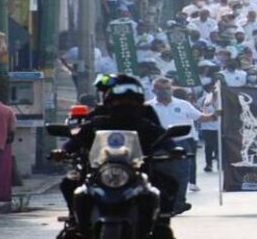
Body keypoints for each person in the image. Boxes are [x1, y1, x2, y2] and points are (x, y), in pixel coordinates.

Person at [56, 74, 179, 239]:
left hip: (138, 168)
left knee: (168, 183)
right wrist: (63, 151)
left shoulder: (146, 117)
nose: (125, 105)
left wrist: (173, 149)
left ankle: (161, 221)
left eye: (130, 100)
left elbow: (161, 135)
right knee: (69, 184)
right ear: (109, 99)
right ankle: (75, 221)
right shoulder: (98, 118)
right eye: (119, 100)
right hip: (100, 168)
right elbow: (79, 138)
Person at [147, 78, 219, 214]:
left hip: (181, 143)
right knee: (158, 175)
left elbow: (200, 117)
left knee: (181, 175)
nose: (165, 92)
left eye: (168, 88)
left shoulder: (183, 104)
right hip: (158, 145)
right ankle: (161, 204)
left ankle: (178, 204)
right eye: (161, 89)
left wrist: (215, 116)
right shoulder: (148, 107)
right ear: (154, 90)